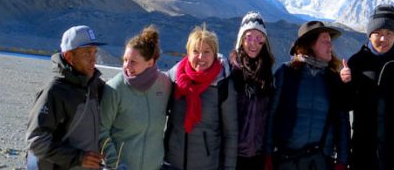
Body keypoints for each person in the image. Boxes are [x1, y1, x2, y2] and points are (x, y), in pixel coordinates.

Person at [340, 4, 394, 169]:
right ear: (370, 35)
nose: (383, 39)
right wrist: (346, 84)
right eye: (378, 33)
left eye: (389, 33)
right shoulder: (357, 62)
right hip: (363, 150)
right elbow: (346, 105)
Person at [265, 21, 350, 170]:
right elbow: (271, 114)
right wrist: (267, 154)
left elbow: (342, 122)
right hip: (287, 161)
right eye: (325, 42)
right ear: (310, 45)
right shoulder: (286, 73)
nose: (331, 46)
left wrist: (342, 160)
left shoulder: (333, 79)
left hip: (320, 162)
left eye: (330, 42)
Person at [25, 25, 106, 169]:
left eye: (95, 53)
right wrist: (78, 158)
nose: (94, 59)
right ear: (69, 56)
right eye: (87, 53)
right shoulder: (55, 91)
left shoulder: (94, 85)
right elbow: (36, 142)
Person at [163, 25, 238, 170]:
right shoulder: (174, 79)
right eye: (195, 51)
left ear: (215, 54)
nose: (201, 57)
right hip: (171, 163)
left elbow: (231, 134)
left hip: (206, 165)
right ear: (188, 54)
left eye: (207, 52)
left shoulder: (222, 85)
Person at [99, 25, 172, 169]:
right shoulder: (114, 89)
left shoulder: (164, 85)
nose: (126, 66)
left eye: (133, 61)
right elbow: (101, 131)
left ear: (150, 62)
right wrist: (116, 164)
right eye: (125, 60)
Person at [229, 12, 275, 170]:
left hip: (258, 156)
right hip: (232, 155)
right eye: (249, 37)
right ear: (241, 39)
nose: (254, 44)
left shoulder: (267, 75)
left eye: (259, 39)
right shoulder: (230, 72)